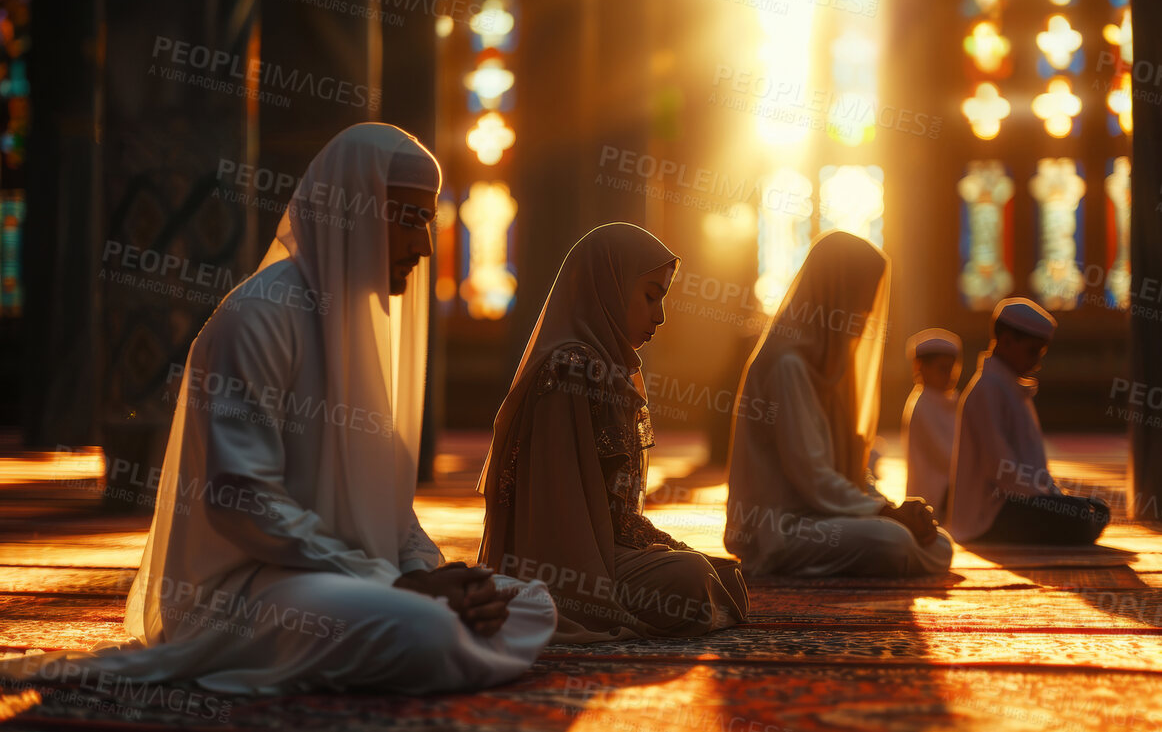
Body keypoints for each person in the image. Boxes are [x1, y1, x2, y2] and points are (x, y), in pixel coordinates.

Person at [4, 123, 556, 697]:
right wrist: (393, 585)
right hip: (247, 591)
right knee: (424, 628)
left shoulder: (360, 329)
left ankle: (434, 628)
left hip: (347, 580)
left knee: (530, 601)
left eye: (428, 222)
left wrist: (422, 570)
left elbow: (390, 507)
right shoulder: (261, 315)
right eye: (409, 220)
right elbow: (242, 499)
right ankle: (431, 635)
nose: (423, 247)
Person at [478, 222, 748, 640]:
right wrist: (594, 589)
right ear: (608, 288)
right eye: (650, 296)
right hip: (566, 571)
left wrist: (663, 547)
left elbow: (617, 516)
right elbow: (560, 522)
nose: (659, 316)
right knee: (692, 579)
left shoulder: (606, 368)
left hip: (605, 552)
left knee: (719, 573)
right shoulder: (569, 369)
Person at [725, 230, 953, 578]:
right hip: (783, 529)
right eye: (857, 305)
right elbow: (814, 478)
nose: (862, 319)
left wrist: (892, 509)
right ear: (833, 298)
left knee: (938, 543)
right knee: (891, 540)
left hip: (828, 516)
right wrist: (887, 514)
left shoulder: (830, 368)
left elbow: (849, 472)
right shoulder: (788, 365)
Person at [947, 296, 1109, 546]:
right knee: (1078, 517)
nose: (1037, 361)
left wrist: (1054, 497)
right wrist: (1048, 500)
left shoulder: (1010, 387)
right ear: (1007, 341)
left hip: (1021, 501)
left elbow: (1033, 466)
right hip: (991, 513)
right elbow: (1001, 468)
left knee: (1096, 509)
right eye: (1032, 351)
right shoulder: (987, 390)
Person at [902, 328, 962, 519]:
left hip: (952, 491)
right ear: (919, 367)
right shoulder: (921, 405)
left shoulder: (953, 400)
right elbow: (948, 460)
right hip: (933, 498)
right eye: (943, 369)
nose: (951, 376)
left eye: (953, 369)